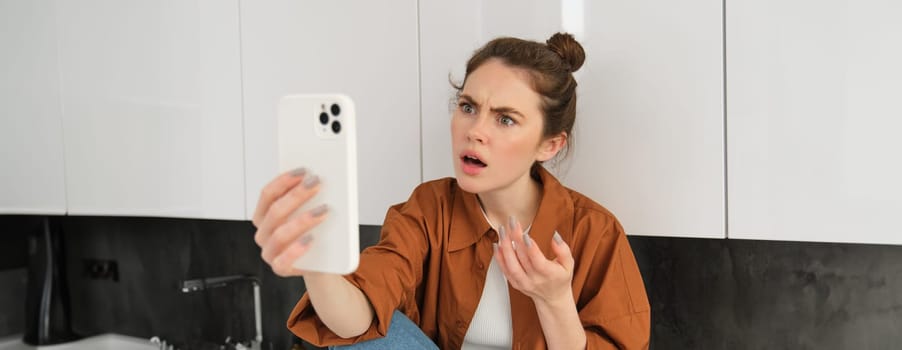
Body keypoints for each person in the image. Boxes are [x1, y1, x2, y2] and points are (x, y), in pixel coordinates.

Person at [252, 33, 650, 349]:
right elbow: (356, 321)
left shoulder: (594, 231)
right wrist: (314, 260)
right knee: (366, 340)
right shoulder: (429, 209)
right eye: (468, 107)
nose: (474, 131)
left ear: (550, 145)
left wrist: (554, 300)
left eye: (506, 120)